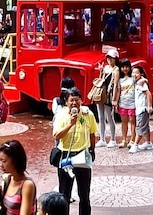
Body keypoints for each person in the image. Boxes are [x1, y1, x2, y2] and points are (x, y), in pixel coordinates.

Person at [52, 87, 98, 215]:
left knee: (84, 193)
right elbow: (56, 136)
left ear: (81, 101)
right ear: (66, 102)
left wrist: (92, 150)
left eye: (77, 100)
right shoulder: (60, 115)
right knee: (64, 193)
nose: (74, 103)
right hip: (66, 156)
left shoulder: (88, 114)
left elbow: (92, 133)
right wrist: (70, 124)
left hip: (82, 155)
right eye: (71, 100)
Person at [0, 140, 36, 215]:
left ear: (15, 161)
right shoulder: (9, 179)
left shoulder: (27, 185)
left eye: (4, 161)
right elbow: (6, 206)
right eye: (0, 161)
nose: (1, 165)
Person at [93, 48, 120, 148]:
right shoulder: (106, 68)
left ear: (115, 58)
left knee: (109, 117)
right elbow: (101, 80)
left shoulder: (116, 69)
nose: (109, 60)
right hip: (101, 94)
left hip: (109, 95)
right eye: (108, 57)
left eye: (111, 58)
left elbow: (116, 85)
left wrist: (114, 99)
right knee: (100, 117)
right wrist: (101, 71)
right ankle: (102, 139)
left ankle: (113, 139)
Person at [129, 65, 152, 153]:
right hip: (139, 108)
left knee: (140, 127)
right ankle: (148, 143)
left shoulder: (141, 83)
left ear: (141, 74)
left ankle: (135, 145)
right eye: (133, 72)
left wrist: (149, 106)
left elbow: (148, 94)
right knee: (145, 126)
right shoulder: (138, 82)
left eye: (136, 73)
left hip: (142, 109)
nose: (134, 74)